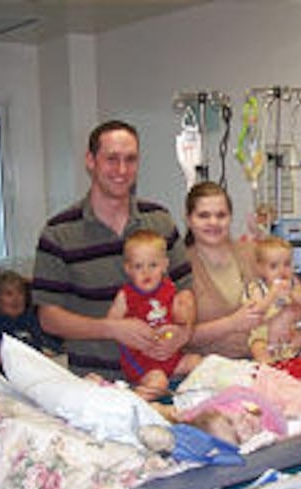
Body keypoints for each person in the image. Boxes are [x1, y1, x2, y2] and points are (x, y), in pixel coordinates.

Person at [32, 120, 194, 381]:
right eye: (112, 159)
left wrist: (184, 331)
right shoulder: (59, 233)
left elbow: (186, 289)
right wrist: (112, 329)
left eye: (130, 159)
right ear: (90, 160)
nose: (122, 169)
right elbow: (49, 318)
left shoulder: (160, 221)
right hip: (97, 384)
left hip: (164, 377)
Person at [184, 181, 301, 358]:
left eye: (221, 215)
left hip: (272, 355)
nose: (214, 222)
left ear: (230, 218)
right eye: (204, 216)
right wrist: (232, 323)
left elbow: (299, 297)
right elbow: (179, 336)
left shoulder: (255, 253)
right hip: (215, 366)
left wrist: (286, 316)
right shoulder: (180, 268)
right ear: (188, 219)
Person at [107, 229, 202, 397]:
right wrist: (125, 330)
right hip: (142, 362)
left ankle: (195, 399)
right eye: (138, 266)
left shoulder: (169, 288)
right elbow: (111, 325)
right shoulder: (126, 295)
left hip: (170, 355)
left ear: (164, 265)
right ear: (128, 269)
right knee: (158, 381)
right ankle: (134, 403)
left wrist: (180, 322)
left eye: (153, 265)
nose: (146, 272)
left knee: (197, 362)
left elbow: (180, 320)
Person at [244, 236, 301, 363]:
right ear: (260, 269)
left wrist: (294, 294)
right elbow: (257, 311)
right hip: (266, 339)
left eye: (287, 264)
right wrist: (272, 295)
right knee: (257, 346)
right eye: (274, 266)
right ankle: (267, 364)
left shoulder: (293, 283)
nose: (282, 271)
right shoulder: (257, 287)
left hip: (290, 340)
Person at [0, 269, 61, 370]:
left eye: (20, 293)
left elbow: (52, 347)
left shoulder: (31, 319)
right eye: (9, 294)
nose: (16, 299)